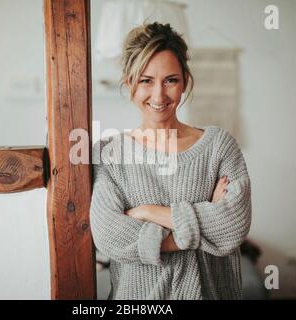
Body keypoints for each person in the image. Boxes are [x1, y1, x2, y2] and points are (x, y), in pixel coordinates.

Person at [90, 22, 251, 300]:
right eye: (146, 80)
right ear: (129, 83)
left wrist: (148, 211)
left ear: (185, 81)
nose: (159, 95)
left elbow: (232, 227)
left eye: (170, 80)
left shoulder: (218, 146)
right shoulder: (109, 154)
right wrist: (204, 219)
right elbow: (110, 237)